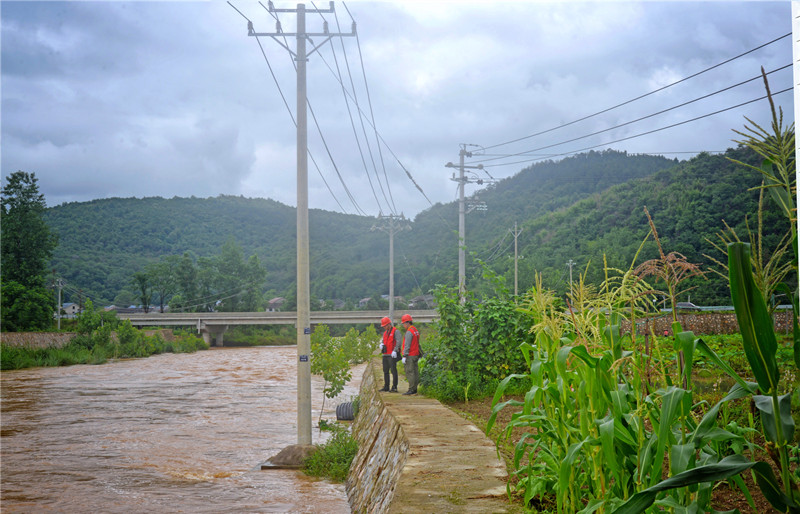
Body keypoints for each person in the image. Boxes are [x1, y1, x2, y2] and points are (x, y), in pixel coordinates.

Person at [400, 313, 422, 395]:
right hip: (416, 354)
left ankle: (411, 389)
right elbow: (418, 343)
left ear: (407, 323)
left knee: (410, 372)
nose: (403, 326)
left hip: (410, 355)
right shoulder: (415, 330)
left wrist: (404, 355)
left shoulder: (409, 332)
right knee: (415, 372)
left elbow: (407, 345)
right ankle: (415, 389)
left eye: (403, 324)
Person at [378, 316, 400, 392]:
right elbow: (384, 341)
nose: (384, 327)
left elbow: (398, 342)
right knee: (385, 371)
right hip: (385, 355)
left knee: (393, 371)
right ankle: (386, 386)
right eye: (383, 326)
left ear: (388, 324)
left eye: (384, 326)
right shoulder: (385, 333)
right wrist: (381, 344)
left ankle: (394, 387)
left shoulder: (395, 331)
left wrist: (395, 350)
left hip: (392, 354)